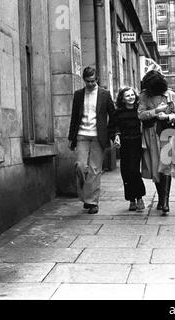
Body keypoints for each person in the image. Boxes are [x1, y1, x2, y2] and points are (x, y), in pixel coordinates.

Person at [68, 66, 116, 214]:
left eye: (93, 81)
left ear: (97, 79)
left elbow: (113, 115)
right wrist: (71, 138)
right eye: (87, 81)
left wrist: (112, 134)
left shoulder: (104, 95)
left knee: (95, 169)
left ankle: (92, 202)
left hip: (98, 136)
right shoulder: (78, 95)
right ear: (84, 80)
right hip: (82, 134)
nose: (90, 84)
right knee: (80, 166)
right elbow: (74, 117)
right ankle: (86, 195)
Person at [138, 70, 175, 216]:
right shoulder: (143, 95)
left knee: (166, 165)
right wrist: (155, 111)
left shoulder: (170, 94)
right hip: (150, 134)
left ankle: (165, 202)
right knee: (156, 167)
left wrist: (167, 116)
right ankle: (161, 198)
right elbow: (140, 114)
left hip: (166, 132)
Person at [109, 87, 146, 212]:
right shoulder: (118, 113)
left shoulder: (139, 110)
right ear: (122, 99)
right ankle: (131, 200)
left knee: (134, 170)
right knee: (126, 172)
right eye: (127, 96)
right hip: (124, 145)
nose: (131, 97)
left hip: (137, 144)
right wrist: (115, 137)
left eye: (132, 95)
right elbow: (112, 128)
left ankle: (139, 197)